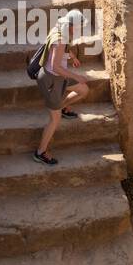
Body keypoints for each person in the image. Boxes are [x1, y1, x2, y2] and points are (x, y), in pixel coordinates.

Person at [32, 10, 92, 166]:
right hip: (51, 80)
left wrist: (72, 57)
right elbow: (55, 66)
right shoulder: (60, 39)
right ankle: (40, 152)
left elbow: (62, 52)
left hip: (60, 77)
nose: (79, 30)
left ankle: (63, 107)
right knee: (54, 120)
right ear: (71, 26)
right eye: (78, 27)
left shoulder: (60, 29)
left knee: (83, 90)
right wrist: (76, 76)